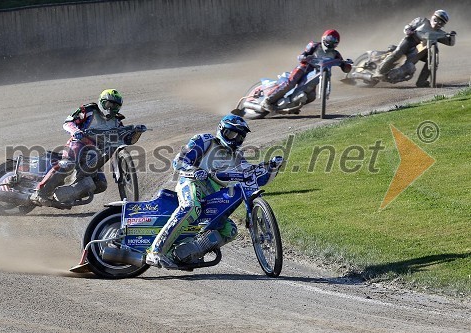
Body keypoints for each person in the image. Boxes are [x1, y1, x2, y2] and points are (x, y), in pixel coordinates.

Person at [145, 115, 251, 268]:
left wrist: (270, 167)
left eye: (240, 137)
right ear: (222, 130)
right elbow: (179, 161)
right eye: (232, 134)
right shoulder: (204, 140)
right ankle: (155, 251)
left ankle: (187, 253)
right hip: (191, 183)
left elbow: (250, 175)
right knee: (191, 207)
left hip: (211, 197)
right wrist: (193, 171)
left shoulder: (238, 157)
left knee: (230, 230)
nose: (235, 139)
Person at [31, 89, 125, 205]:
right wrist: (75, 131)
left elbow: (123, 135)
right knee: (67, 164)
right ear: (101, 102)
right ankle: (40, 193)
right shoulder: (89, 110)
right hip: (79, 143)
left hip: (95, 154)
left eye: (115, 106)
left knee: (101, 184)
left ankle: (69, 194)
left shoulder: (117, 122)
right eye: (108, 104)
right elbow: (68, 122)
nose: (110, 108)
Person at [260, 29, 352, 112]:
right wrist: (305, 57)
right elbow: (300, 56)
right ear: (324, 38)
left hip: (317, 73)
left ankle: (292, 106)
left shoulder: (335, 54)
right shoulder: (314, 45)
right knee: (290, 83)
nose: (331, 42)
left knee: (311, 96)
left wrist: (347, 65)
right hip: (304, 68)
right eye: (330, 39)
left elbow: (345, 68)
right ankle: (267, 100)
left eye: (334, 40)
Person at [375, 9, 456, 87]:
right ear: (432, 16)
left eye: (441, 22)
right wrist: (408, 30)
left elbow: (450, 43)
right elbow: (408, 26)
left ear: (443, 25)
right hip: (411, 40)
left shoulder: (441, 33)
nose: (438, 23)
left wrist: (452, 36)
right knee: (398, 52)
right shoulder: (422, 20)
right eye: (437, 19)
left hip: (425, 48)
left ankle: (421, 82)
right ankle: (380, 71)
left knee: (432, 61)